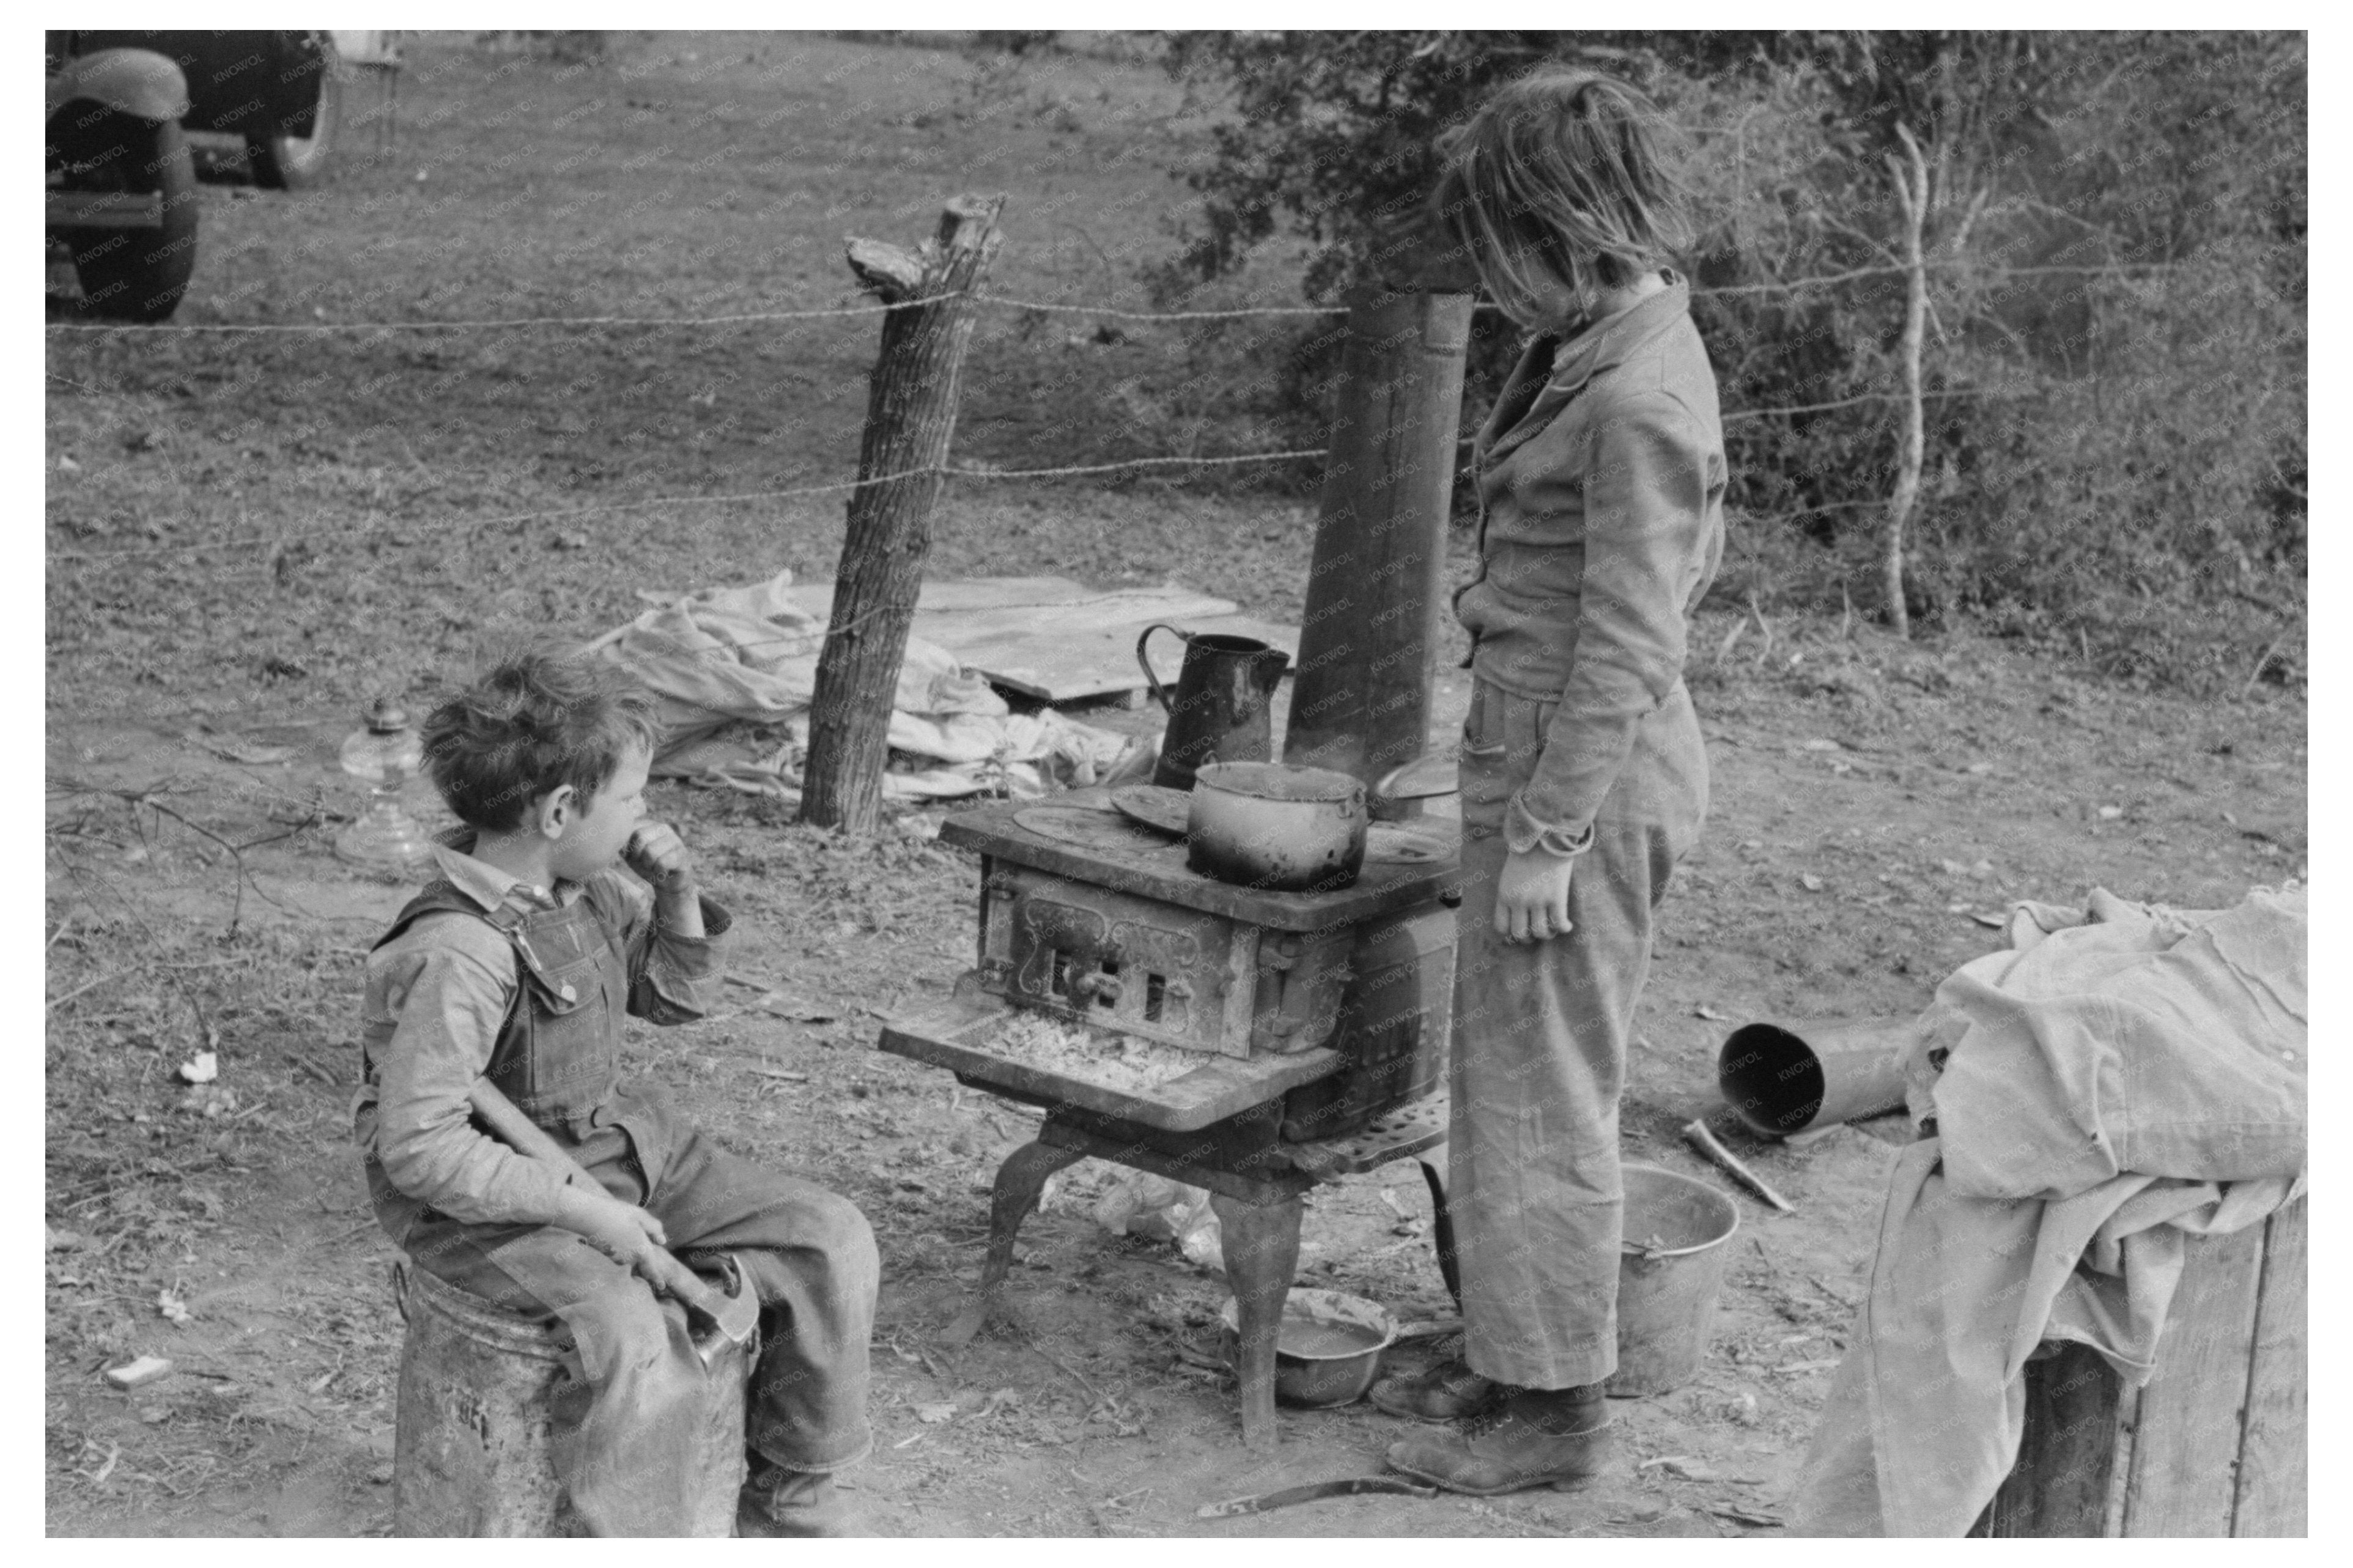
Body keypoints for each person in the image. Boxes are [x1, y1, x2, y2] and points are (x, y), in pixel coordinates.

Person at [1373, 70, 1726, 1496]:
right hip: (1538, 741)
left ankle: (1553, 1413)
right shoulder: (1606, 341)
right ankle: (1509, 1349)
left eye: (1507, 252)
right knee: (1510, 1079)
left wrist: (1546, 833)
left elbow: (1633, 639)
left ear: (1567, 228)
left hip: (1578, 767)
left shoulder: (1638, 391)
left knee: (1548, 1093)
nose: (1499, 285)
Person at [355, 651, 878, 1536]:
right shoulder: (462, 952)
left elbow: (673, 1000)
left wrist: (678, 893)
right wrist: (586, 1216)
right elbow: (421, 1149)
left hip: (616, 1148)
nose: (645, 815)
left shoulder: (584, 887)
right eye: (633, 797)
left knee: (829, 1238)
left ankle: (794, 1505)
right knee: (641, 1347)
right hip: (486, 1208)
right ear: (562, 811)